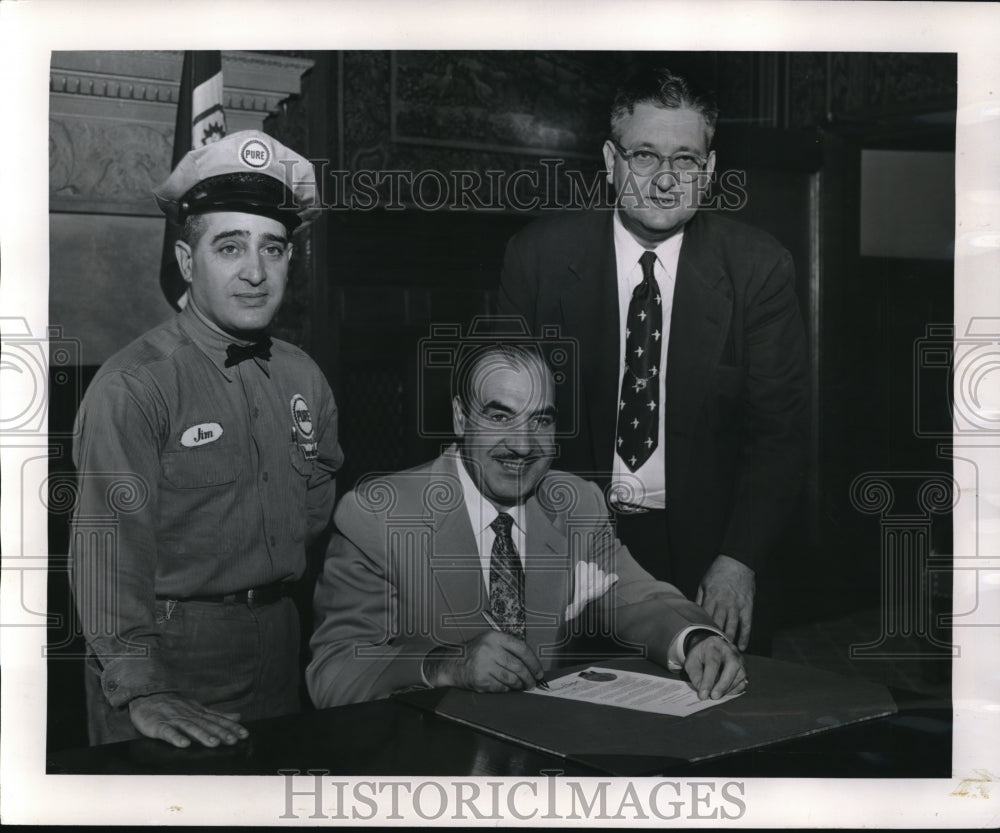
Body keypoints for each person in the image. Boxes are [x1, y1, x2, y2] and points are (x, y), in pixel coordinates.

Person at [497, 67, 809, 652]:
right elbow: (501, 427)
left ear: (709, 172)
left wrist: (738, 559)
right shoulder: (538, 259)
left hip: (703, 551)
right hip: (566, 539)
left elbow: (780, 435)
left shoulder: (758, 268)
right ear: (611, 162)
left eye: (686, 160)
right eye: (644, 156)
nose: (666, 180)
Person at [70, 130, 344, 748]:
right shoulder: (136, 385)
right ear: (188, 262)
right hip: (168, 655)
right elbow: (108, 553)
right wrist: (142, 685)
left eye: (273, 249)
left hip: (281, 640)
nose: (255, 272)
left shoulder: (304, 375)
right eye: (230, 247)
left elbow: (315, 505)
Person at [306, 342, 745, 708]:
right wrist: (443, 665)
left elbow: (635, 597)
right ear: (461, 419)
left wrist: (693, 638)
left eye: (541, 420)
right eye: (499, 417)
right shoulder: (377, 515)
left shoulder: (575, 503)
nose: (522, 445)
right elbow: (333, 673)